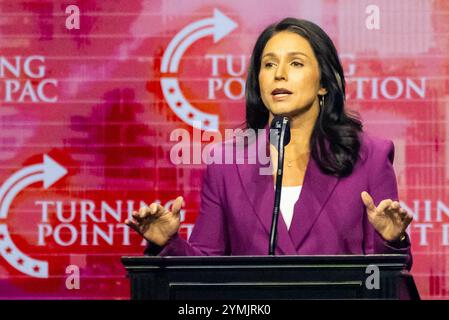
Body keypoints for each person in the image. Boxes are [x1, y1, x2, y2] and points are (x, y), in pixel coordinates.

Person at [125, 18, 413, 269]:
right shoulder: (227, 163)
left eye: (296, 63)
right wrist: (168, 243)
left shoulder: (369, 156)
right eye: (269, 64)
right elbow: (205, 265)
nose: (279, 74)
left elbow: (384, 276)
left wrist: (392, 239)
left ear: (324, 83)